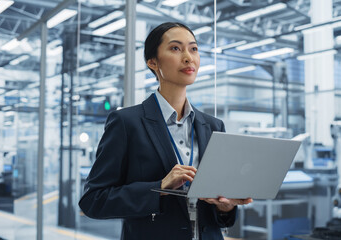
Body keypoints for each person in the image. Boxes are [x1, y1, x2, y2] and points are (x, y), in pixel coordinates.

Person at [79, 22, 252, 240]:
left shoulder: (214, 126)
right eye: (176, 48)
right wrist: (159, 187)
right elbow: (94, 200)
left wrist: (225, 207)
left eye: (194, 49)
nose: (188, 57)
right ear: (153, 62)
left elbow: (217, 217)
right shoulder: (126, 122)